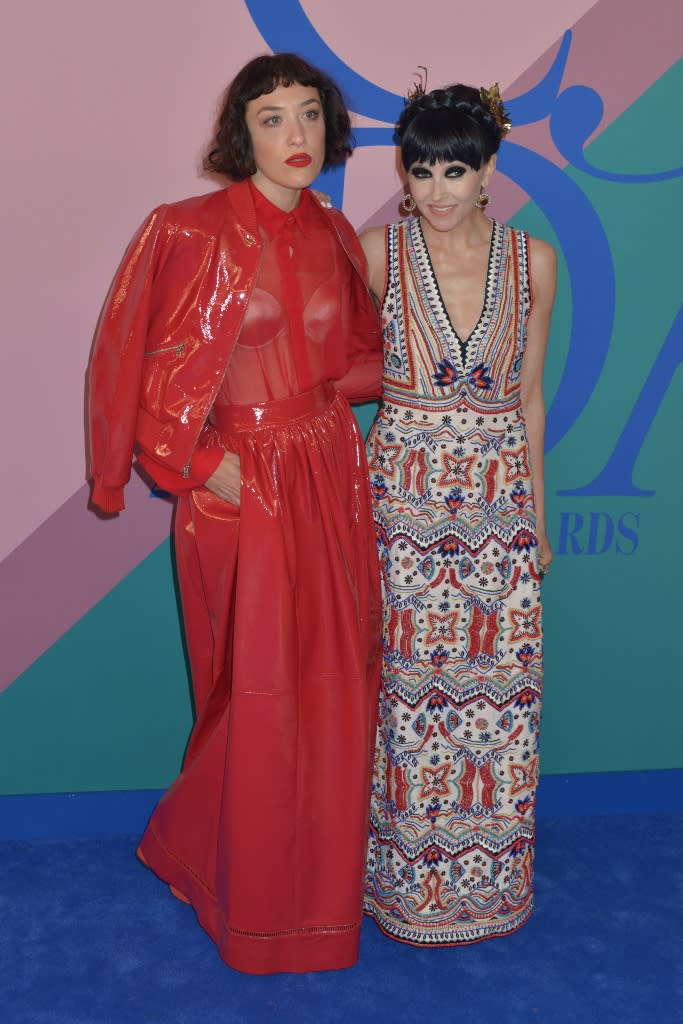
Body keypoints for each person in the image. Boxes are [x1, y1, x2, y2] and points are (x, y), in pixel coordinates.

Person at [87, 53, 383, 975]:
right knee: (249, 696)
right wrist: (199, 463)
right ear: (239, 133)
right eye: (270, 118)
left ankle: (319, 898)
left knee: (336, 688)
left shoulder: (336, 231)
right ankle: (223, 875)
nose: (294, 138)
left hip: (328, 473)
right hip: (239, 485)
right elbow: (124, 364)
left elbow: (359, 362)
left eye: (308, 116)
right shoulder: (185, 229)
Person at [360, 82, 556, 945]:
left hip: (496, 505)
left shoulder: (535, 261)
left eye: (455, 169)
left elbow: (529, 398)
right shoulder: (374, 253)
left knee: (500, 705)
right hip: (399, 505)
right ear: (403, 173)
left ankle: (490, 890)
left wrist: (537, 520)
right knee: (405, 703)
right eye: (421, 169)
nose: (436, 189)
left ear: (488, 171)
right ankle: (398, 889)